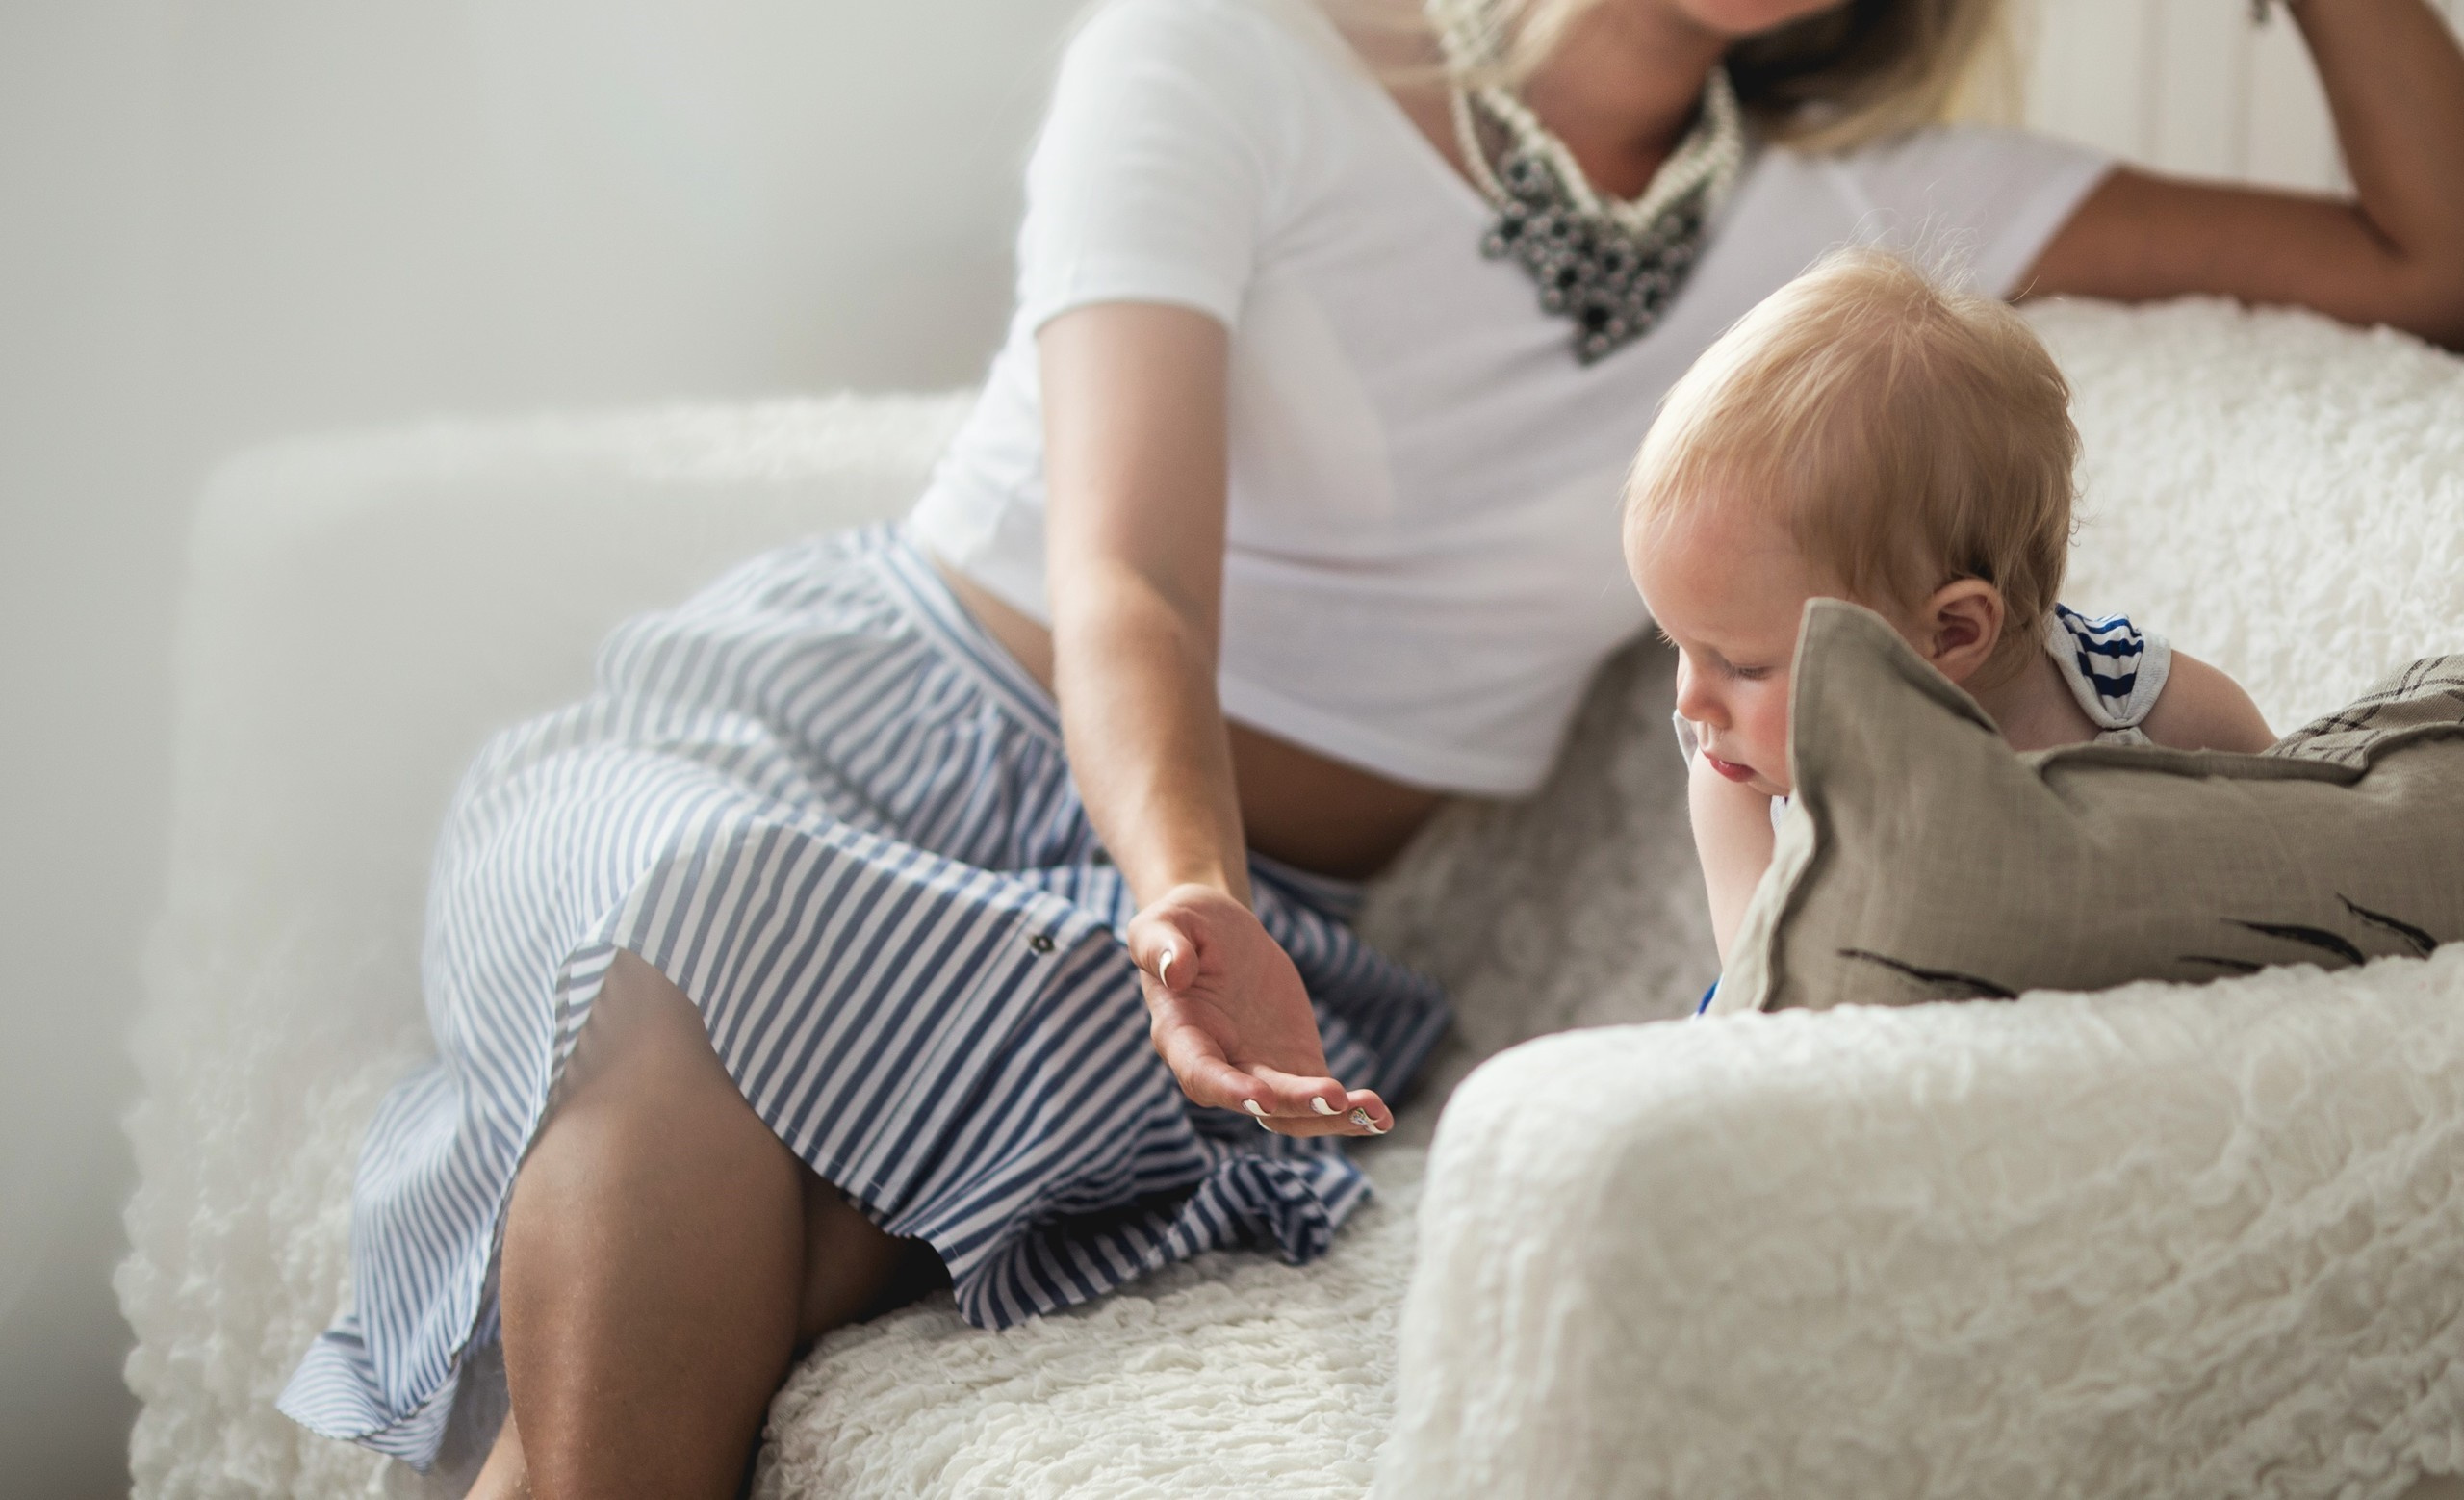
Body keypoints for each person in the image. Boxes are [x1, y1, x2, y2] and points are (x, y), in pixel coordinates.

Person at [274, 0, 2464, 1494]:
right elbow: (1130, 589)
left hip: (1186, 928)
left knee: (721, 1132)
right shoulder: (1221, 48)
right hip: (840, 744)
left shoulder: (1870, 233)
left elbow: (2425, 246)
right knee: (705, 933)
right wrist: (1188, 889)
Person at [1624, 246, 2278, 973]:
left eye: (1743, 664)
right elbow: (1771, 1009)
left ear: (1951, 633)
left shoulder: (2141, 713)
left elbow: (2302, 851)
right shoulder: (1740, 794)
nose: (1690, 699)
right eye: (1676, 643)